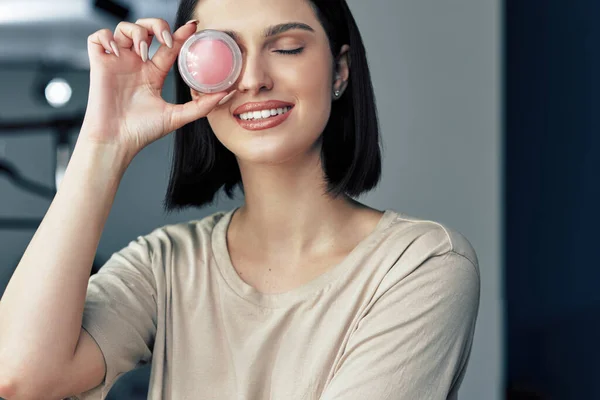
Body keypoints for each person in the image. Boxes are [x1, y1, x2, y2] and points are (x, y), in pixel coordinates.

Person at [0, 0, 481, 399]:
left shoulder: (422, 263)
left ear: (339, 70)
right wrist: (104, 143)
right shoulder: (165, 264)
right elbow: (19, 374)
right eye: (221, 53)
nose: (253, 80)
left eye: (287, 47)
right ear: (193, 77)